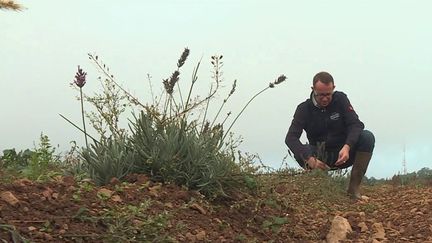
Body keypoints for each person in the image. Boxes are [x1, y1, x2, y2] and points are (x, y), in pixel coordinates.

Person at [285, 71, 375, 199]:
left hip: (343, 154)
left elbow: (356, 124)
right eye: (321, 95)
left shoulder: (341, 99)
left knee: (367, 137)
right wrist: (308, 158)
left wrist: (348, 146)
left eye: (328, 94)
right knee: (302, 151)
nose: (325, 98)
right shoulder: (303, 109)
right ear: (313, 89)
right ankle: (322, 189)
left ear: (333, 88)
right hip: (320, 157)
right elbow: (291, 138)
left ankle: (353, 190)